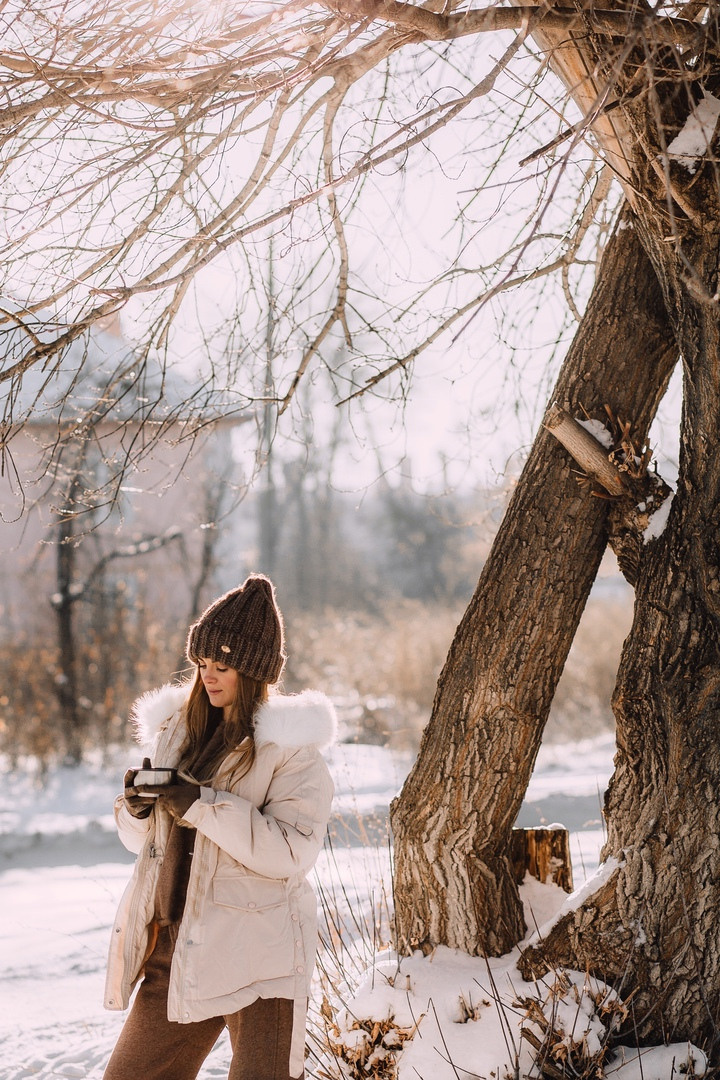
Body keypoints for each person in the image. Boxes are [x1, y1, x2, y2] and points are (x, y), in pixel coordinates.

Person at [103, 574, 336, 1080]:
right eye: (202, 664)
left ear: (252, 673)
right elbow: (147, 845)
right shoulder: (177, 733)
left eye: (222, 667)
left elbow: (291, 852)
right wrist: (138, 811)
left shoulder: (290, 751)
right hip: (177, 946)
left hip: (258, 955)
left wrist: (203, 805)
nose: (208, 677)